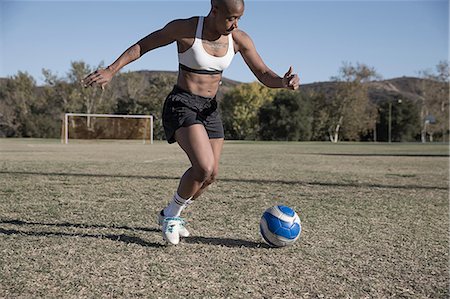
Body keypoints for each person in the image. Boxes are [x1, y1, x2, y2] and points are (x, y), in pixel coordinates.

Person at [83, 0, 300, 245]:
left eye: (239, 19)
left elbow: (262, 73)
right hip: (182, 104)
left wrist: (283, 82)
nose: (235, 24)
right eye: (230, 18)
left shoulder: (239, 39)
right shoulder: (185, 29)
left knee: (210, 176)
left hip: (210, 110)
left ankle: (169, 213)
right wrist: (111, 70)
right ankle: (172, 218)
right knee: (203, 167)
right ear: (214, 10)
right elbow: (144, 44)